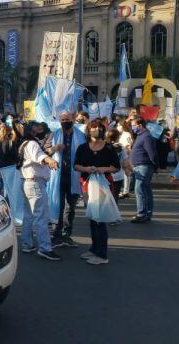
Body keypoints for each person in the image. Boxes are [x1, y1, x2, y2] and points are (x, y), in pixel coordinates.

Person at [74, 122, 121, 265]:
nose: (97, 130)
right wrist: (86, 169)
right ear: (88, 131)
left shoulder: (108, 148)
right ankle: (94, 248)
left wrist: (104, 169)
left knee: (100, 219)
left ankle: (102, 254)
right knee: (92, 217)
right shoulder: (82, 147)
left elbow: (116, 167)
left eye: (100, 128)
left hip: (103, 185)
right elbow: (76, 165)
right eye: (94, 128)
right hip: (87, 184)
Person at [19, 122, 61, 261]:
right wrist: (51, 161)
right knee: (41, 216)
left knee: (29, 215)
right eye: (38, 128)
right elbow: (40, 157)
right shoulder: (32, 144)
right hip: (35, 182)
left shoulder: (25, 143)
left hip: (27, 182)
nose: (41, 130)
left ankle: (27, 244)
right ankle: (45, 248)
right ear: (31, 130)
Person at [44, 111, 85, 248]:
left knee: (71, 207)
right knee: (58, 205)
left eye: (67, 119)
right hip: (58, 175)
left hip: (74, 175)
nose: (65, 121)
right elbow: (45, 151)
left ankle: (67, 234)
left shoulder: (80, 135)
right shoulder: (54, 134)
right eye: (62, 119)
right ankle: (57, 234)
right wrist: (55, 148)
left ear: (73, 119)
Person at [130, 117, 158, 223]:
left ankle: (142, 213)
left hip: (144, 166)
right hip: (140, 166)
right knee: (145, 190)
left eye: (133, 125)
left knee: (140, 189)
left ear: (140, 125)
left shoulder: (146, 136)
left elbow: (152, 153)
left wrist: (155, 166)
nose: (132, 127)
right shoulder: (141, 135)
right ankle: (147, 213)